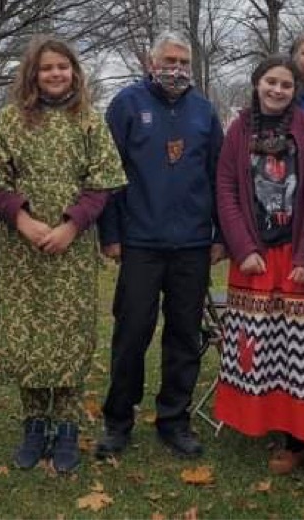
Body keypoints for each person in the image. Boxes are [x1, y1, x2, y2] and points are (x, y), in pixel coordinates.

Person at [0, 36, 125, 474]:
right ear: (32, 75)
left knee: (69, 335)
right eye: (47, 68)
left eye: (63, 67)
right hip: (20, 252)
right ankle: (35, 424)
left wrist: (71, 225)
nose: (56, 74)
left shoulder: (91, 121)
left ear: (75, 72)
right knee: (27, 334)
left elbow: (103, 183)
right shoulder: (10, 121)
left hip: (71, 250)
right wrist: (24, 221)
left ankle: (68, 426)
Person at [95, 32, 225, 459]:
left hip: (191, 244)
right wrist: (110, 234)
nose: (176, 68)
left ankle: (175, 419)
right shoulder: (127, 105)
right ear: (151, 63)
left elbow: (218, 178)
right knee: (131, 333)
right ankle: (118, 421)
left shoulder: (205, 111)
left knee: (185, 336)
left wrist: (219, 235)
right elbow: (108, 175)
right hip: (139, 242)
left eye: (183, 61)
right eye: (168, 60)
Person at [214, 55, 304, 470]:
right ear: (257, 84)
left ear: (294, 90)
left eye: (286, 85)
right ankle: (262, 421)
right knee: (259, 344)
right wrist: (242, 246)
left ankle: (300, 437)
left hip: (298, 253)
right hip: (256, 256)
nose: (278, 90)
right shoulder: (239, 129)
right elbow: (227, 188)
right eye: (271, 82)